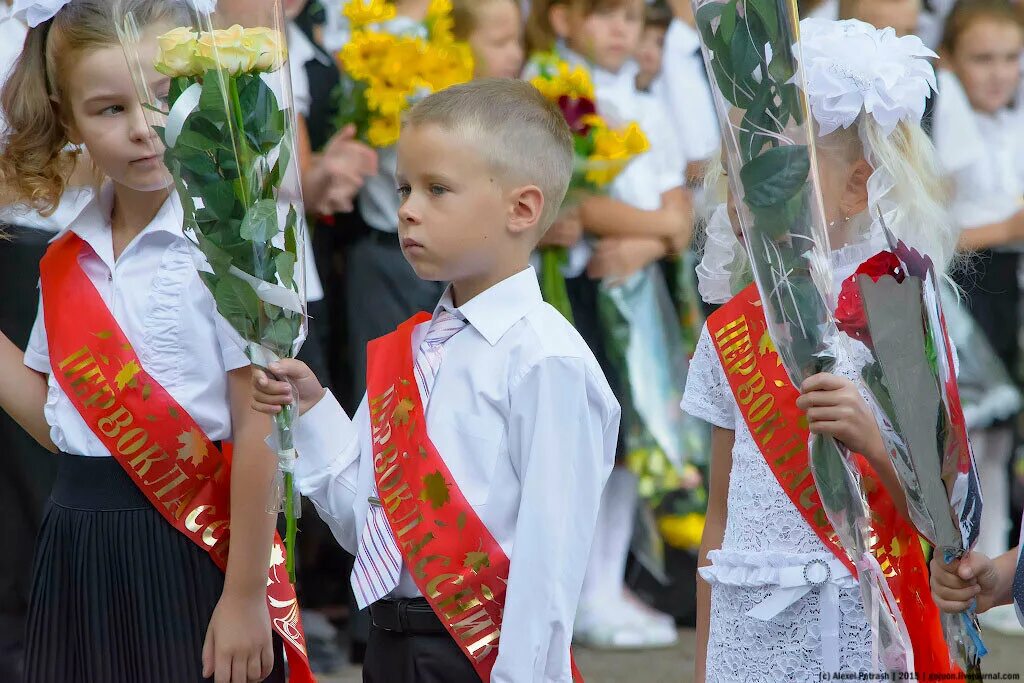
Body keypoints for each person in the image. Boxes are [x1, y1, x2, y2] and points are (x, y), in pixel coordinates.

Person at [250, 78, 620, 683]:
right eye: (403, 188)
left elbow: (549, 563)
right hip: (388, 646)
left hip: (482, 656)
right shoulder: (413, 349)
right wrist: (315, 412)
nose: (407, 209)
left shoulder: (546, 359)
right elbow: (364, 527)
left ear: (521, 209)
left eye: (437, 189)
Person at [0, 1, 313, 681]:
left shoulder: (237, 248)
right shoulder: (67, 256)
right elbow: (63, 421)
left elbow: (260, 426)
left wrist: (243, 595)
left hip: (195, 547)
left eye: (167, 97)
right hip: (78, 539)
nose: (145, 129)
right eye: (110, 110)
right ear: (68, 120)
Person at [684, 18, 960, 681]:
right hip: (748, 628)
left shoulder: (894, 306)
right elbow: (718, 512)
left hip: (860, 622)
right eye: (741, 172)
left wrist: (870, 435)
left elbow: (948, 508)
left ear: (857, 183)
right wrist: (704, 659)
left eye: (782, 172)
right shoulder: (733, 327)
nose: (750, 197)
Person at [525, 0, 691, 650]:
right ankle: (577, 588)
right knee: (583, 441)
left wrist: (649, 242)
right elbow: (577, 208)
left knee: (631, 443)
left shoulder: (645, 97)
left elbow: (678, 207)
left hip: (637, 285)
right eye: (604, 14)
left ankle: (607, 581)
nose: (621, 28)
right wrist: (651, 230)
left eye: (630, 15)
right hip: (576, 284)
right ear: (563, 20)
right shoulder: (553, 91)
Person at [932, 0, 1024, 634]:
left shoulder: (1011, 123)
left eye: (1011, 59)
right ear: (953, 61)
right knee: (974, 433)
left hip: (1011, 285)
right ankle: (975, 561)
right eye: (982, 59)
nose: (998, 74)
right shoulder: (947, 125)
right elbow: (933, 233)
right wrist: (1009, 227)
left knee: (1005, 432)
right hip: (969, 286)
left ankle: (1001, 557)